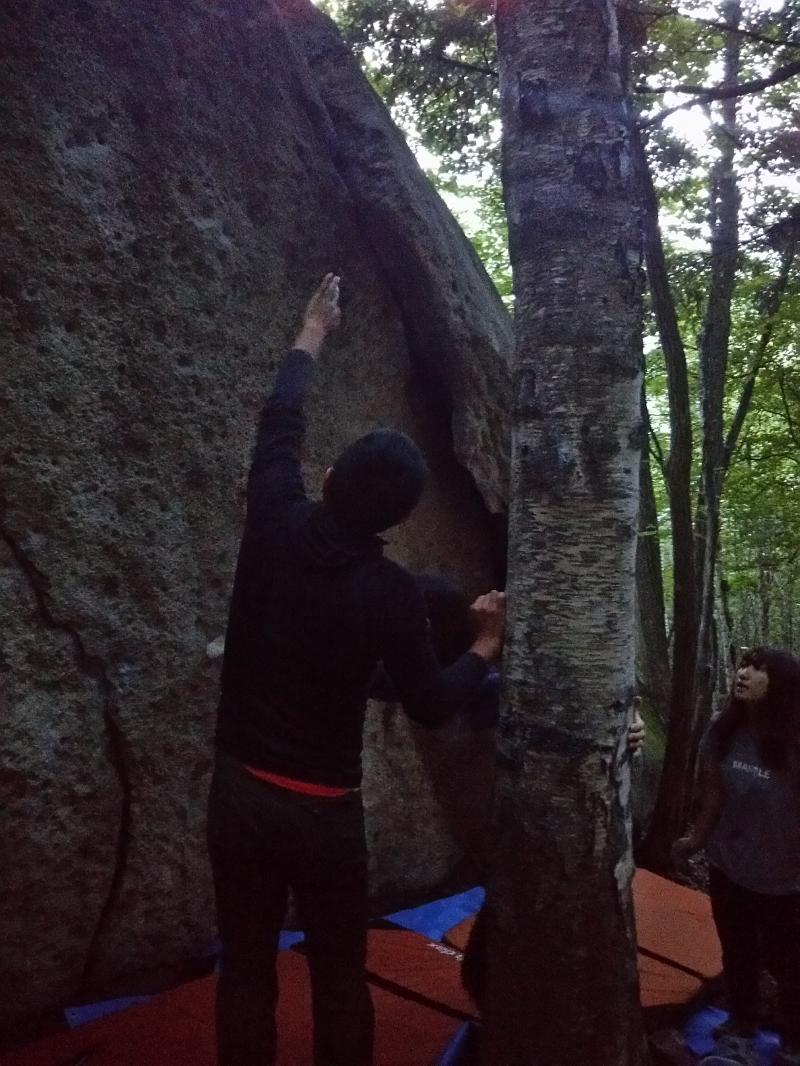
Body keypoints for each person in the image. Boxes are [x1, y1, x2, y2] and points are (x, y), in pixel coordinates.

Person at [206, 275, 506, 1066]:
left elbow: (280, 421)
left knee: (246, 967)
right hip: (322, 812)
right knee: (340, 975)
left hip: (239, 791)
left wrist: (313, 329)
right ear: (399, 518)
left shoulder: (273, 517)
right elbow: (433, 703)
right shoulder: (391, 593)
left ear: (332, 480)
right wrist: (485, 644)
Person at [673, 647, 800, 1065]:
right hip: (729, 867)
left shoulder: (794, 743)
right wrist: (695, 839)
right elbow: (714, 793)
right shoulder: (723, 731)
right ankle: (742, 1027)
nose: (744, 673)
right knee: (738, 952)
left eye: (759, 669)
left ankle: (794, 1042)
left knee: (789, 964)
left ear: (783, 685)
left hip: (784, 881)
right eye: (744, 665)